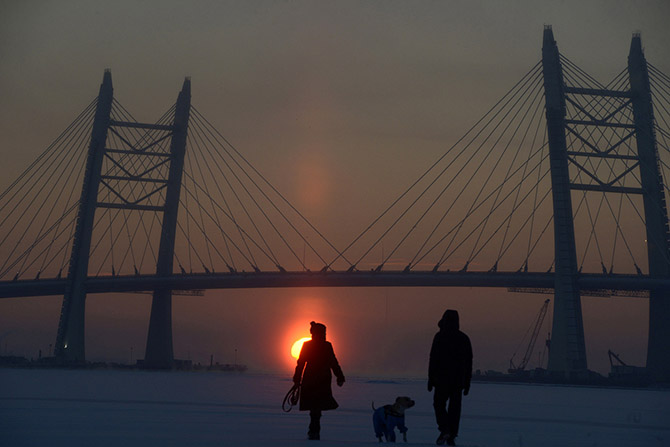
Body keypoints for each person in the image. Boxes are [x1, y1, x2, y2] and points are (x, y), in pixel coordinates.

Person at [293, 321, 345, 440]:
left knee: (315, 408)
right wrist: (339, 376)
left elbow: (300, 363)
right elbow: (333, 362)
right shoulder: (326, 345)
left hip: (313, 379)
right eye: (323, 332)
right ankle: (314, 431)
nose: (324, 334)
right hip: (320, 380)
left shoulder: (311, 345)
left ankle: (313, 431)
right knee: (316, 408)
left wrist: (297, 379)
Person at [428, 309, 473, 446]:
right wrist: (467, 382)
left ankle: (445, 429)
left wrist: (431, 379)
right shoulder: (464, 338)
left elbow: (433, 359)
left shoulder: (439, 336)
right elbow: (469, 362)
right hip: (458, 381)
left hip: (441, 379)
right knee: (455, 409)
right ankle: (451, 436)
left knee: (439, 405)